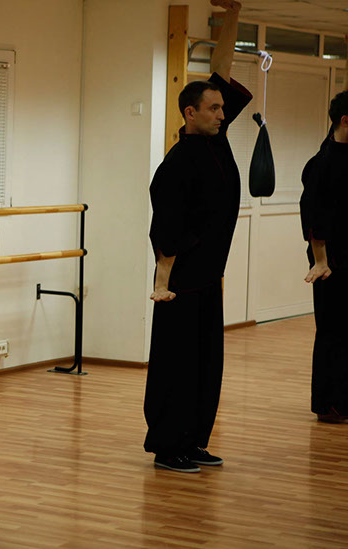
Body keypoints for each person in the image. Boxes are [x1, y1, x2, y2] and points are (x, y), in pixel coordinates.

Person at [144, 0, 252, 473]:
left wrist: (232, 16)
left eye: (222, 108)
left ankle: (194, 441)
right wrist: (162, 283)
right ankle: (169, 446)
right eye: (213, 109)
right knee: (177, 367)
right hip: (181, 284)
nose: (222, 114)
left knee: (207, 366)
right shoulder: (177, 163)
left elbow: (221, 69)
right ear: (190, 113)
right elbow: (166, 228)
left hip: (209, 279)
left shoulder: (217, 141)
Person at [299, 46, 348, 424]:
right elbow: (313, 214)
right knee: (333, 331)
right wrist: (320, 260)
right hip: (331, 262)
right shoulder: (323, 162)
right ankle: (329, 403)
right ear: (345, 121)